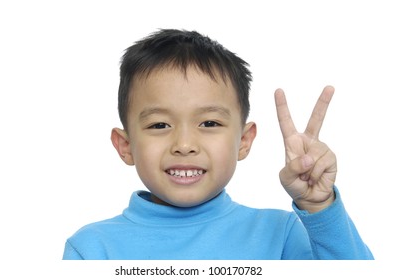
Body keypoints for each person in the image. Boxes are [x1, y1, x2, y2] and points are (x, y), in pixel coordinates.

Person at [63, 29, 373, 260]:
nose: (184, 144)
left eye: (209, 123)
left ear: (243, 140)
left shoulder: (283, 235)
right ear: (125, 146)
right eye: (160, 125)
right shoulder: (92, 249)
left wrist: (319, 207)